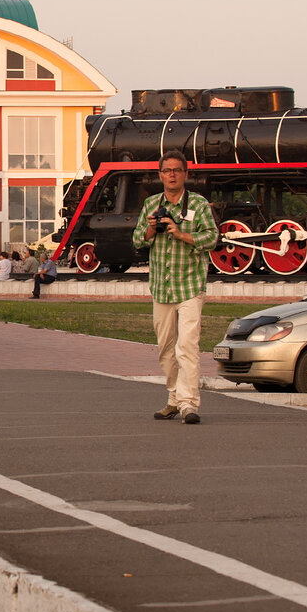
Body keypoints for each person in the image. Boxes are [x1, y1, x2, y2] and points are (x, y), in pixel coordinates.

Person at [132, 150, 217, 425]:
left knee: (187, 347)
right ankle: (173, 398)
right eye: (167, 170)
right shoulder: (150, 204)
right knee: (166, 349)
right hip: (161, 288)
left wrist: (181, 233)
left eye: (177, 170)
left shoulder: (200, 204)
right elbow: (136, 241)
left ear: (185, 175)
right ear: (160, 175)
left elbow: (213, 237)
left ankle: (189, 404)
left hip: (190, 285)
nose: (172, 175)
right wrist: (150, 229)